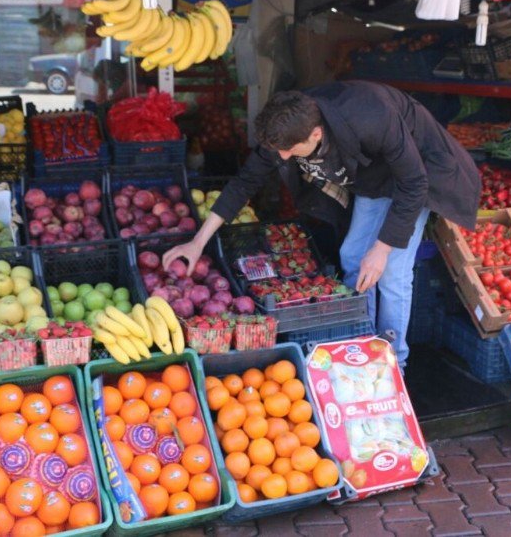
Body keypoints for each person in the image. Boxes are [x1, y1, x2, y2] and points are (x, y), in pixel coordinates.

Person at [163, 81, 481, 368]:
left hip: (420, 173)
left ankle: (394, 361)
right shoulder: (284, 127)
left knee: (392, 271)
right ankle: (364, 342)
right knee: (353, 254)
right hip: (373, 178)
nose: (284, 157)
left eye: (290, 150)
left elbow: (413, 183)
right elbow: (244, 183)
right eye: (279, 151)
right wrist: (197, 242)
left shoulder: (371, 116)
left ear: (316, 134)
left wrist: (382, 249)